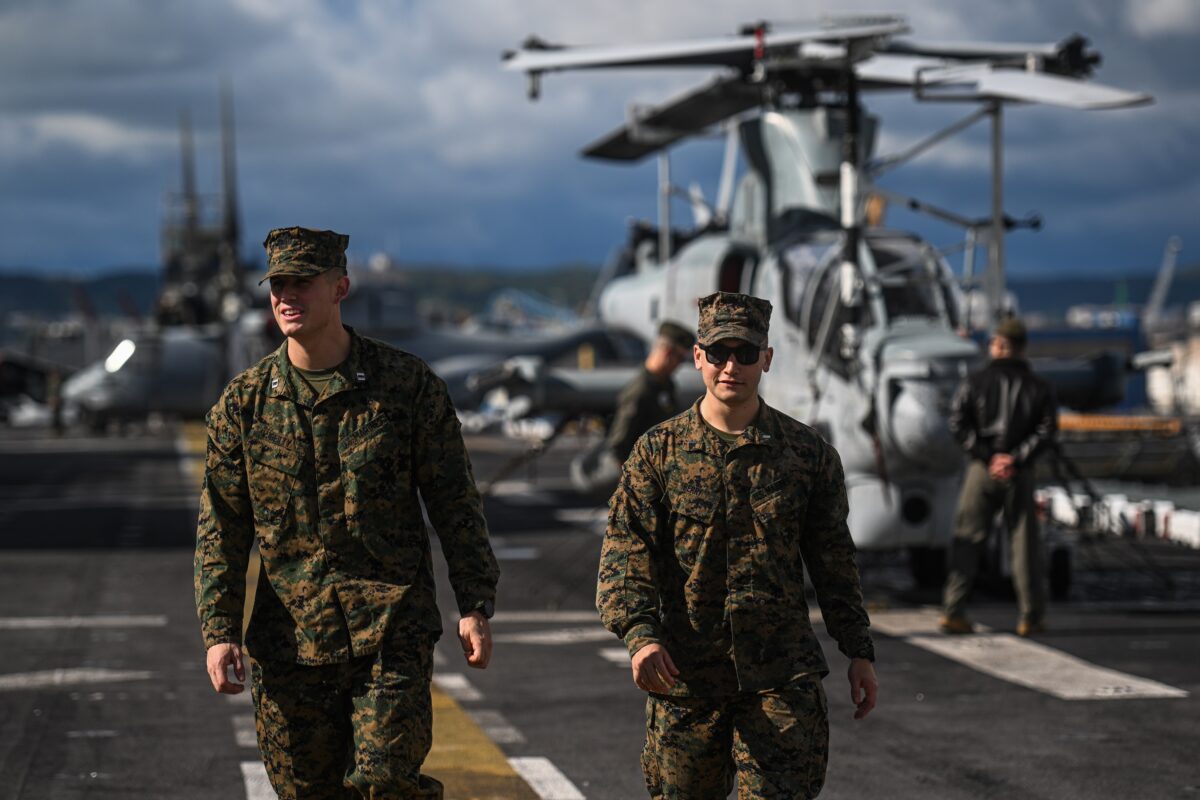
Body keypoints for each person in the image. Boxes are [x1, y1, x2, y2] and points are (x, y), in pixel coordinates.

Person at [195, 227, 499, 799]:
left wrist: (474, 602)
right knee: (306, 792)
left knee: (387, 783)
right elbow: (222, 526)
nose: (287, 295)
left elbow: (455, 500)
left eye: (302, 283)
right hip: (290, 640)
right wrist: (219, 629)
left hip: (390, 629)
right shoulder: (244, 404)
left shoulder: (406, 387)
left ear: (340, 288)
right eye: (278, 284)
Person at [597, 291, 878, 799]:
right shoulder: (657, 453)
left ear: (766, 360)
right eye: (719, 352)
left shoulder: (806, 455)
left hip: (780, 681)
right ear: (698, 356)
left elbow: (835, 561)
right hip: (686, 682)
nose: (732, 366)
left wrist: (858, 650)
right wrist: (640, 635)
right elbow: (624, 556)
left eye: (746, 354)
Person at [940, 315, 1057, 637]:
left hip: (982, 469)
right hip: (1019, 473)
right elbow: (1047, 430)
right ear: (1021, 348)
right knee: (1024, 545)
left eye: (993, 342)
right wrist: (1015, 459)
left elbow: (957, 423)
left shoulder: (975, 382)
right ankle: (1030, 617)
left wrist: (989, 457)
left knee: (967, 539)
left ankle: (954, 609)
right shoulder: (1039, 387)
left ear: (1001, 345)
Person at [571, 321, 695, 494]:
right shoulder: (641, 390)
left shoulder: (665, 385)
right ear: (667, 352)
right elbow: (619, 445)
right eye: (680, 358)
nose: (679, 364)